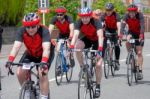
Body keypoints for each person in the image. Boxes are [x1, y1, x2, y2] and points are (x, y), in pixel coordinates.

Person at [5, 13, 51, 99]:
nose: (30, 29)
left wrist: (44, 62)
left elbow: (46, 48)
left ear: (38, 25)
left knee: (42, 74)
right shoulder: (21, 31)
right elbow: (16, 47)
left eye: (33, 26)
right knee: (19, 72)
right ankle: (27, 91)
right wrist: (10, 60)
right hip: (30, 53)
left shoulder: (44, 30)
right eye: (28, 27)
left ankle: (44, 97)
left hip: (43, 55)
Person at [70, 7, 104, 98]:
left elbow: (100, 36)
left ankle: (97, 86)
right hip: (88, 39)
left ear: (90, 16)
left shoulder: (96, 22)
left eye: (86, 17)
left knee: (98, 65)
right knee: (78, 47)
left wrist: (100, 50)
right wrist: (72, 46)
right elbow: (76, 34)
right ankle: (83, 67)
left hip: (98, 41)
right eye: (82, 17)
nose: (84, 19)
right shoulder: (79, 22)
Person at [121, 4, 145, 80]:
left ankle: (140, 71)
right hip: (131, 33)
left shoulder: (140, 15)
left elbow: (142, 26)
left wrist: (141, 35)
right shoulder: (126, 16)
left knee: (139, 53)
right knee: (127, 40)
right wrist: (121, 35)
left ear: (136, 12)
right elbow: (122, 25)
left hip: (139, 34)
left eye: (133, 12)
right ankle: (129, 53)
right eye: (130, 12)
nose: (131, 14)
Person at [100, 2, 122, 70]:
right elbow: (101, 25)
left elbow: (119, 26)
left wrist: (119, 36)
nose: (108, 12)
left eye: (110, 10)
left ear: (112, 10)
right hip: (107, 30)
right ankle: (102, 58)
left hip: (114, 31)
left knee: (116, 45)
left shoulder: (116, 15)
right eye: (107, 10)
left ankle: (117, 61)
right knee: (103, 44)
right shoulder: (103, 15)